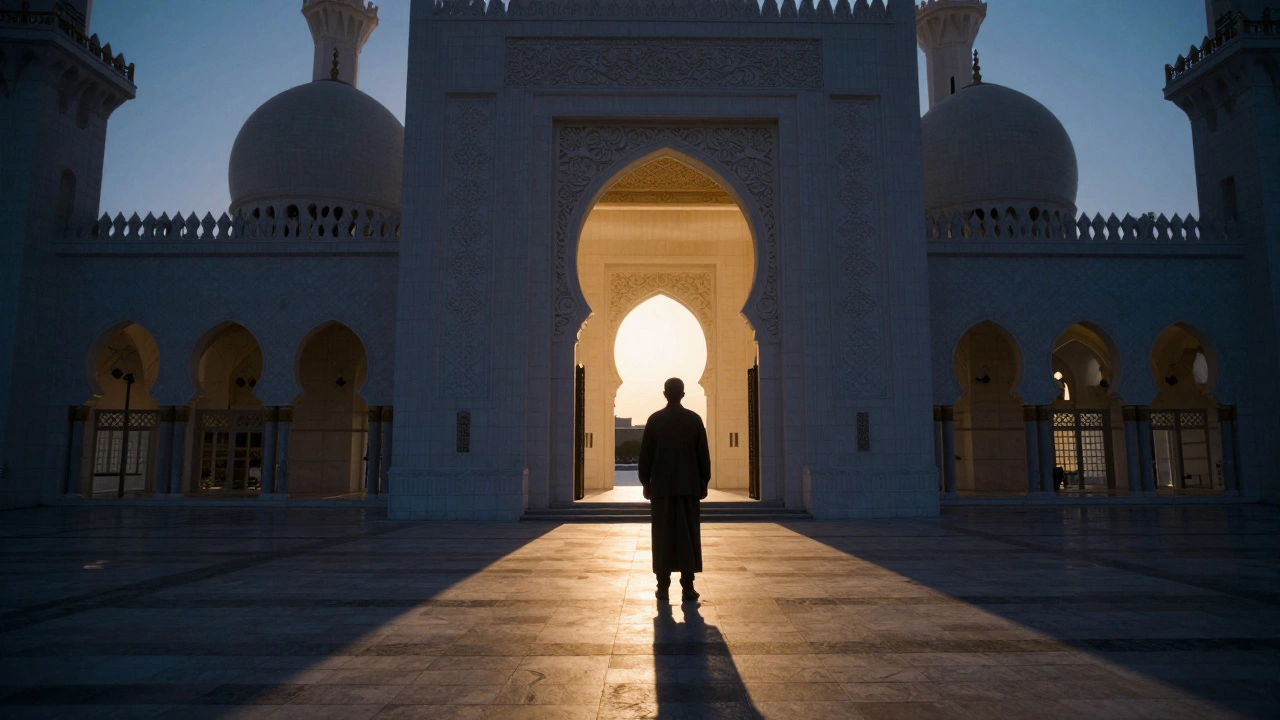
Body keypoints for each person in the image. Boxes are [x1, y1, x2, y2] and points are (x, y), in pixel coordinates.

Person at [638, 377, 711, 602]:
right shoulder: (694, 420)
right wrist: (703, 482)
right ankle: (688, 588)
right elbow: (703, 456)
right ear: (683, 394)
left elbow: (645, 457)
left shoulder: (655, 420)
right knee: (688, 535)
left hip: (661, 488)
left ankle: (662, 587)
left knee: (663, 536)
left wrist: (646, 483)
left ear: (664, 394)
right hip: (688, 488)